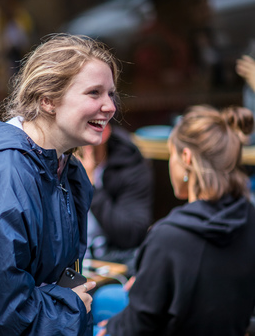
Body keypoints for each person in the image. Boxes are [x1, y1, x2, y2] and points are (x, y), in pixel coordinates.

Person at [0, 34, 119, 335]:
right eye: (94, 93)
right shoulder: (3, 178)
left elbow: (60, 276)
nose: (110, 106)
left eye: (111, 94)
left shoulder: (67, 167)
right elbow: (0, 315)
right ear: (48, 100)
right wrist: (71, 305)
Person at [96, 105, 255, 336]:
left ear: (186, 157)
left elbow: (137, 325)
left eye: (172, 155)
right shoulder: (249, 217)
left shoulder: (169, 236)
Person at [80, 123, 154, 272]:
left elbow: (132, 234)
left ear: (103, 130)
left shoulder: (129, 164)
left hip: (107, 261)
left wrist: (89, 184)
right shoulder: (52, 162)